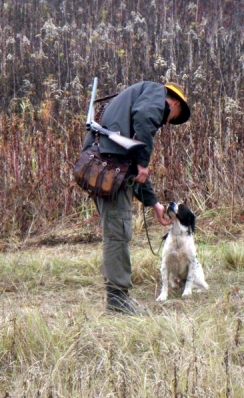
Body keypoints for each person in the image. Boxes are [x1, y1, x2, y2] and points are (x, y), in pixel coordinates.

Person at [81, 81, 191, 314]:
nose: (165, 122)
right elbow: (144, 123)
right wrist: (144, 161)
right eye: (170, 117)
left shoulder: (132, 103)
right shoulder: (155, 92)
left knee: (116, 232)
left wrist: (154, 203)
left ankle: (117, 297)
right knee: (118, 235)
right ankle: (118, 301)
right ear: (174, 103)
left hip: (108, 170)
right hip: (109, 171)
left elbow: (131, 168)